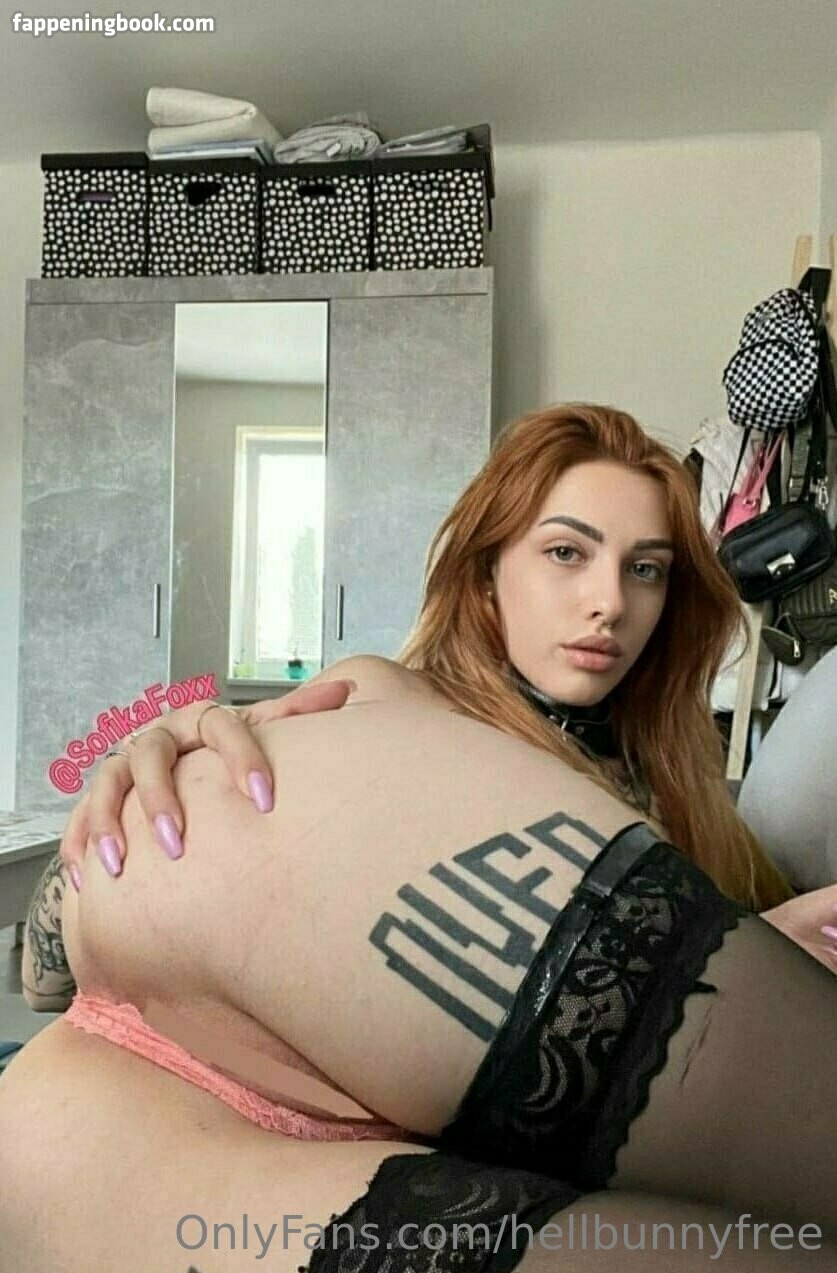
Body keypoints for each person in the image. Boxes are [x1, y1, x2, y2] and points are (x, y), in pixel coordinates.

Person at [6, 404, 837, 1270]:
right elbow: (44, 973)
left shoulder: (674, 780)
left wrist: (755, 941)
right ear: (486, 574)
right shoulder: (381, 700)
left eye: (645, 569)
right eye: (565, 552)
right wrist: (160, 771)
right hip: (158, 1112)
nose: (608, 602)